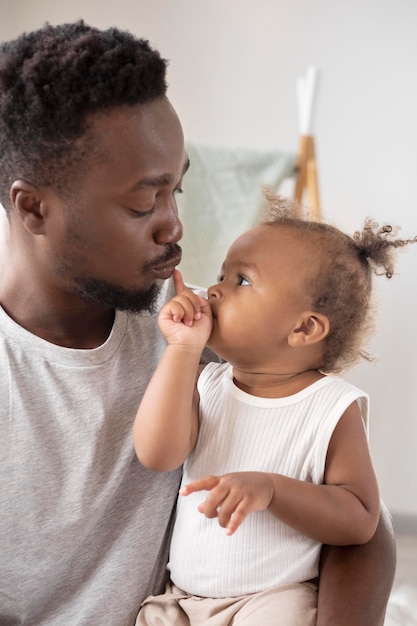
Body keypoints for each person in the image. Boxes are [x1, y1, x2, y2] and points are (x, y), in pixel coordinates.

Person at [0, 20, 396, 626]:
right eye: (142, 203)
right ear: (33, 208)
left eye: (176, 190)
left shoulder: (196, 322)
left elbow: (363, 525)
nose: (174, 227)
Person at [134, 199, 416, 625]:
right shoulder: (206, 381)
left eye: (242, 280)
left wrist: (272, 490)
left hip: (271, 602)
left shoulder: (331, 407)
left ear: (304, 328)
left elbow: (360, 519)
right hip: (183, 601)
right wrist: (183, 349)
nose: (214, 290)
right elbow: (157, 454)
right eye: (221, 276)